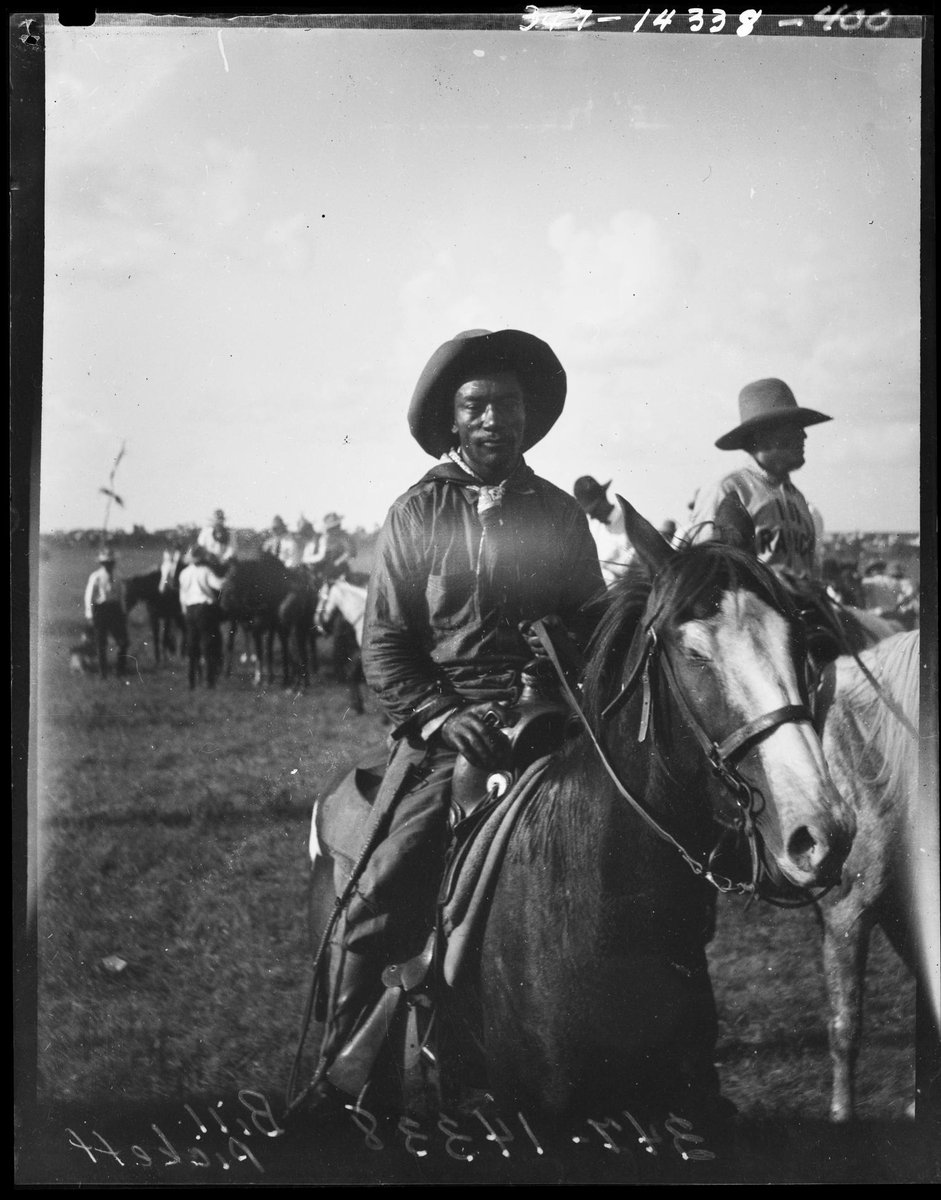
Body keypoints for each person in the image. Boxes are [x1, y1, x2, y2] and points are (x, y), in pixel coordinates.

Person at [314, 327, 604, 1096]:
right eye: (475, 405)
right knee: (380, 889)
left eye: (506, 405)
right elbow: (384, 647)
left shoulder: (559, 514)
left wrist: (564, 669)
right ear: (450, 421)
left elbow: (595, 622)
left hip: (554, 723)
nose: (492, 420)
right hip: (448, 736)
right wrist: (442, 717)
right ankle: (340, 1064)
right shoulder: (415, 513)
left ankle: (676, 1059)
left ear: (526, 416)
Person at [178, 543, 226, 688]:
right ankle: (208, 681)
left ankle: (191, 680)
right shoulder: (206, 571)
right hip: (205, 609)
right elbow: (219, 585)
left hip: (190, 609)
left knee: (192, 644)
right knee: (207, 644)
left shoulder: (184, 573)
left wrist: (185, 610)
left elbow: (182, 595)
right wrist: (228, 577)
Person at [572, 475, 635, 586]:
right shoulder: (594, 528)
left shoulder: (630, 522)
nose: (591, 516)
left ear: (603, 498)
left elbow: (636, 564)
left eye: (593, 510)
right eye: (588, 512)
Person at [83, 547, 129, 678]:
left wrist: (124, 612)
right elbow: (89, 596)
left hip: (115, 610)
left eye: (111, 562)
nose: (109, 565)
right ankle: (103, 673)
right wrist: (90, 615)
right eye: (107, 563)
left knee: (123, 641)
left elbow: (122, 596)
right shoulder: (96, 576)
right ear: (102, 563)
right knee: (101, 643)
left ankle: (120, 670)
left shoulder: (119, 575)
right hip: (101, 610)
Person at [860, 559, 918, 626]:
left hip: (874, 616)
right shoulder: (895, 582)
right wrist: (898, 606)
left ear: (871, 571)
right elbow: (909, 594)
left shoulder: (867, 582)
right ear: (884, 569)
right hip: (892, 616)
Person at [305, 512, 355, 579]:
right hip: (324, 566)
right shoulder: (323, 537)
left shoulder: (343, 536)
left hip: (337, 568)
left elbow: (350, 552)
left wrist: (336, 563)